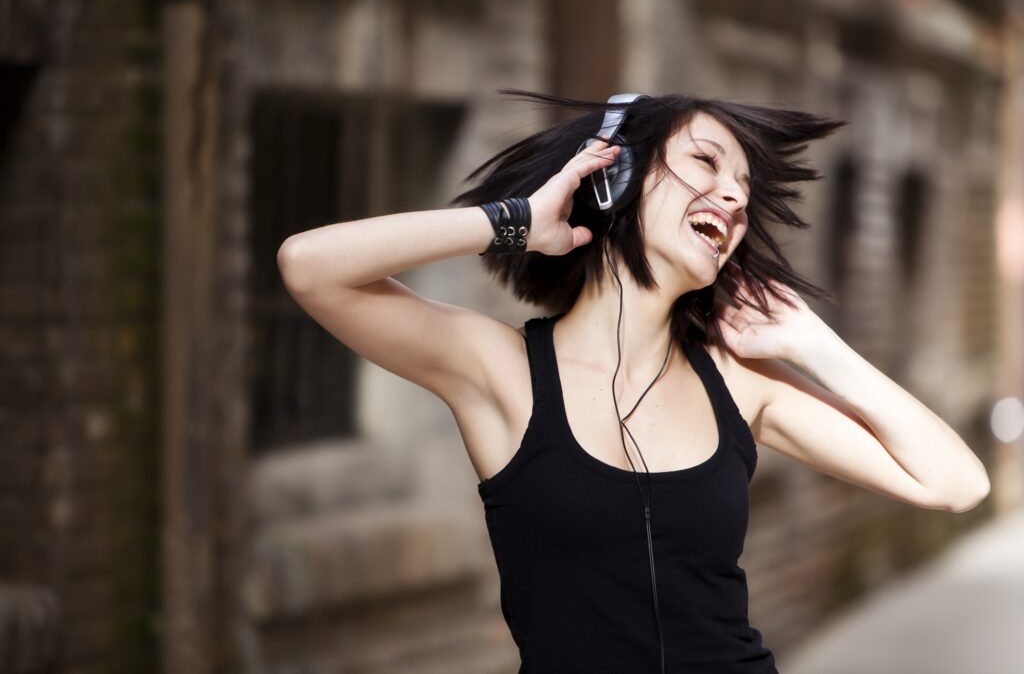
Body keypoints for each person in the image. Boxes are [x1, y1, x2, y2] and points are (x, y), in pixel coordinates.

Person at [276, 90, 991, 673]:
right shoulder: (499, 371)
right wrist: (515, 221)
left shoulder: (741, 386)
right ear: (615, 176)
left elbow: (956, 484)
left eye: (742, 190)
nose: (732, 200)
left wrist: (813, 343)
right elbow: (310, 266)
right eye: (705, 165)